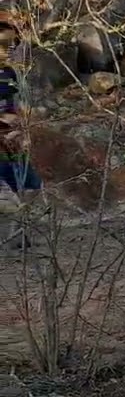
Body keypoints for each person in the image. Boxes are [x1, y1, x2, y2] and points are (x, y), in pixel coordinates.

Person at [0, 23, 42, 249]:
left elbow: (19, 105)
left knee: (32, 186)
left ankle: (15, 234)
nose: (8, 49)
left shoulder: (10, 73)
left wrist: (23, 129)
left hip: (12, 141)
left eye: (11, 44)